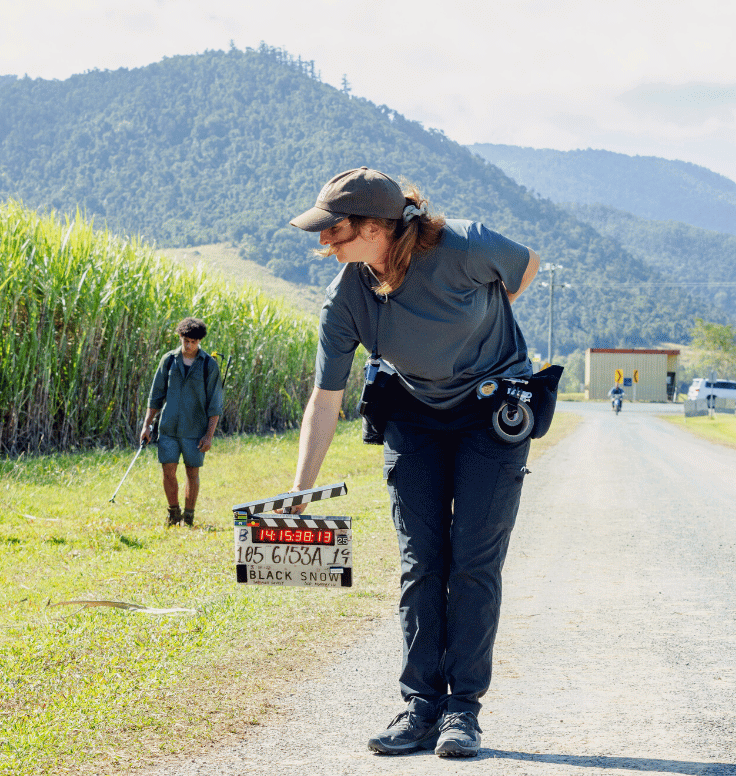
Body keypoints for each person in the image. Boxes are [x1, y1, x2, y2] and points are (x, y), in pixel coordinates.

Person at [285, 167, 540, 758]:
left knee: (474, 560)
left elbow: (525, 267)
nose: (324, 243)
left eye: (335, 231)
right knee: (422, 561)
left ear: (377, 226)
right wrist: (300, 489)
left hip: (492, 410)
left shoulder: (464, 246)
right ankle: (421, 705)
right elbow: (325, 400)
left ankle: (462, 712)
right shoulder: (348, 295)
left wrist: (480, 329)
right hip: (415, 415)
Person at [140, 317, 224, 527]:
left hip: (195, 430)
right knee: (168, 471)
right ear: (180, 337)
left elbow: (215, 404)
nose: (188, 345)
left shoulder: (209, 365)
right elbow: (155, 395)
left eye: (193, 342)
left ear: (199, 341)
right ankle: (173, 513)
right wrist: (147, 425)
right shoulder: (168, 360)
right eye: (185, 340)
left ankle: (188, 517)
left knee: (192, 472)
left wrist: (209, 435)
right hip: (168, 428)